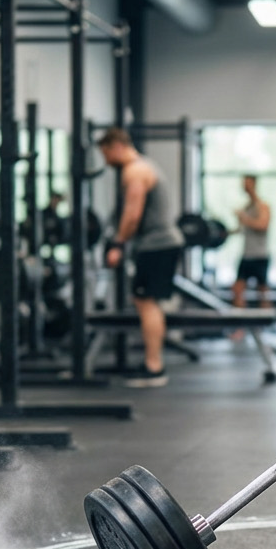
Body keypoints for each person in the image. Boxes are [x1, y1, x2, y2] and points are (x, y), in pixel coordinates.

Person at [97, 127, 186, 387]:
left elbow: (133, 214)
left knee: (146, 302)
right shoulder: (145, 166)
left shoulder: (134, 171)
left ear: (117, 147)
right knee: (147, 301)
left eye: (106, 154)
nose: (106, 162)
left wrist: (118, 244)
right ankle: (152, 363)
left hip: (157, 244)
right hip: (159, 243)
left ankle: (154, 368)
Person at [232, 174, 272, 312]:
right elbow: (240, 230)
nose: (244, 186)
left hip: (260, 255)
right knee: (237, 289)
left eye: (247, 183)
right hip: (246, 254)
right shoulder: (246, 207)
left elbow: (263, 225)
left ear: (253, 184)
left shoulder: (263, 206)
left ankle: (264, 325)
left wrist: (244, 218)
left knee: (263, 293)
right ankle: (240, 326)